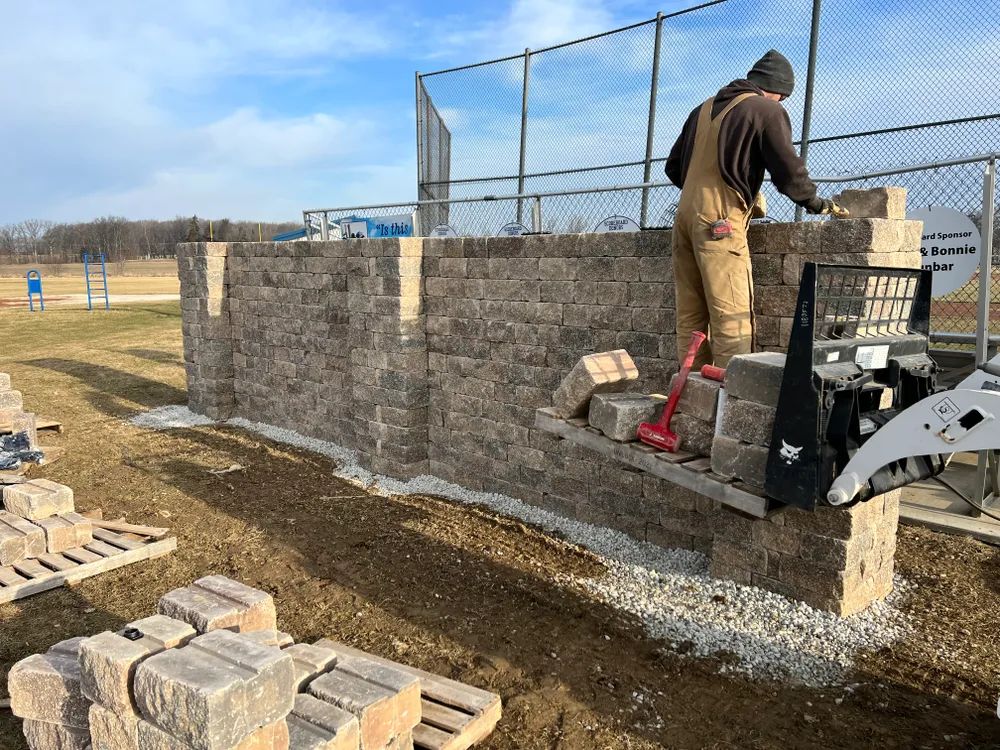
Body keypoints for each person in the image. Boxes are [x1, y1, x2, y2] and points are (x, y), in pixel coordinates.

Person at [665, 49, 849, 368]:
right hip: (720, 224)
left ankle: (689, 391)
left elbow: (673, 168)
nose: (782, 103)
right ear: (778, 91)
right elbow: (787, 171)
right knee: (731, 315)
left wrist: (716, 188)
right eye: (784, 97)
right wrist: (815, 202)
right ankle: (730, 394)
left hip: (683, 219)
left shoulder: (701, 109)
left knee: (690, 317)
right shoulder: (766, 110)